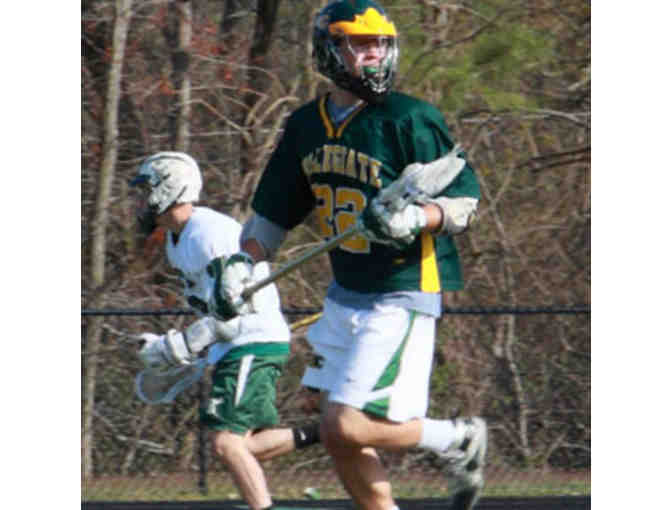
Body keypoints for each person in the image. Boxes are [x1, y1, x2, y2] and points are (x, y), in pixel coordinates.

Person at [208, 1, 487, 509]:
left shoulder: (410, 117)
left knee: (344, 425)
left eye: (380, 43)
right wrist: (242, 264)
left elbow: (464, 202)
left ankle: (456, 438)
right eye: (360, 43)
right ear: (328, 49)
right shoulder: (305, 125)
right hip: (345, 292)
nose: (374, 54)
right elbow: (272, 216)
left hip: (401, 287)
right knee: (337, 433)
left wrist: (417, 218)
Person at [130, 151, 320, 510]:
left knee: (226, 443)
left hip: (252, 340)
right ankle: (329, 431)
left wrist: (180, 346)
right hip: (236, 345)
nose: (140, 201)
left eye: (146, 189)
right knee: (245, 445)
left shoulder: (209, 234)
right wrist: (188, 351)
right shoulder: (176, 240)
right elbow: (214, 310)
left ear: (171, 188)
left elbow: (232, 316)